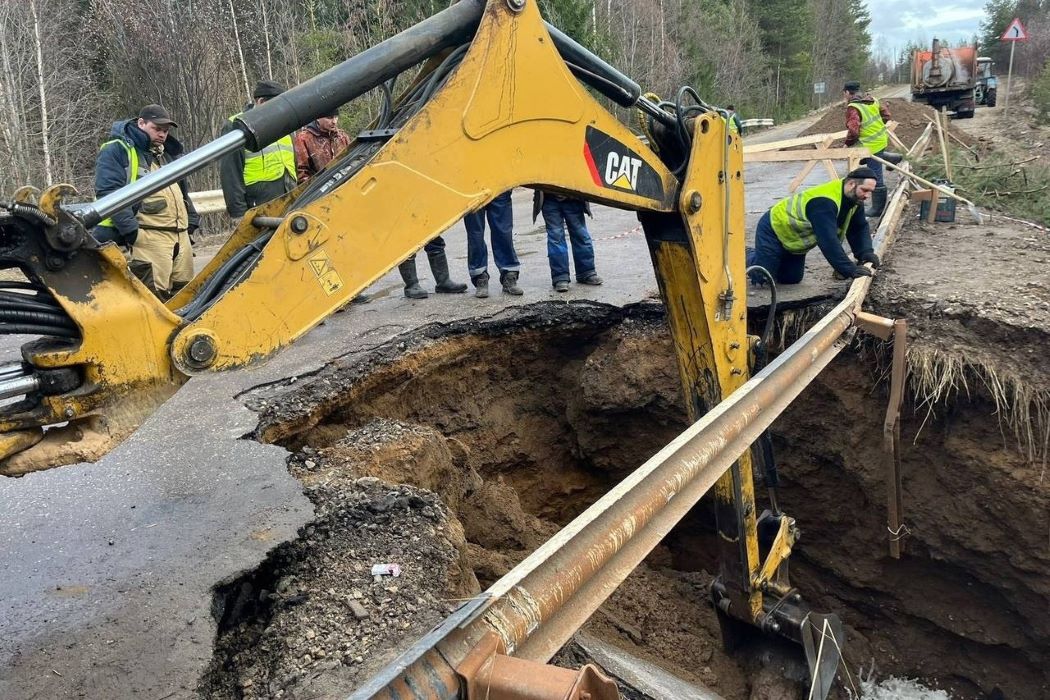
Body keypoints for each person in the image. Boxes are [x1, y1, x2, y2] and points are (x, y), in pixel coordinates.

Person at [92, 104, 199, 300]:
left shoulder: (167, 153)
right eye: (156, 129)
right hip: (149, 235)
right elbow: (109, 193)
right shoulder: (118, 149)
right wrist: (133, 233)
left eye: (165, 131)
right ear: (141, 123)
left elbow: (181, 191)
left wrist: (191, 219)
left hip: (180, 236)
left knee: (185, 296)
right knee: (153, 299)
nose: (162, 134)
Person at [746, 167, 881, 285]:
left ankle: (771, 257)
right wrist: (849, 269)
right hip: (774, 229)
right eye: (865, 190)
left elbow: (858, 228)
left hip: (793, 241)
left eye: (870, 192)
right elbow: (828, 240)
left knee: (791, 279)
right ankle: (747, 255)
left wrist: (866, 253)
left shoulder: (854, 200)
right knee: (762, 276)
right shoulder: (825, 202)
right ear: (852, 184)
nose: (867, 196)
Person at [220, 80, 296, 222]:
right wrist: (238, 214)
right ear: (260, 102)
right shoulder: (237, 125)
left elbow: (293, 162)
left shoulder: (285, 123)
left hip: (289, 198)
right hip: (258, 205)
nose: (280, 110)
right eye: (276, 105)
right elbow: (230, 173)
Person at [533, 191, 602, 292]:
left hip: (573, 197)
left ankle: (586, 272)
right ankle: (560, 277)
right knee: (556, 238)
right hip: (549, 199)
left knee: (581, 236)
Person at [843, 81, 892, 216]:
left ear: (847, 92)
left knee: (875, 175)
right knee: (866, 159)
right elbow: (887, 115)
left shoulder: (853, 107)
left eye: (844, 94)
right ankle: (892, 158)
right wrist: (877, 126)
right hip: (881, 139)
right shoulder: (873, 100)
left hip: (871, 144)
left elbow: (853, 131)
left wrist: (847, 143)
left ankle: (877, 210)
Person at [464, 190, 521, 298]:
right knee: (475, 235)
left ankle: (509, 274)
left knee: (503, 232)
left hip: (499, 184)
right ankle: (480, 277)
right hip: (471, 184)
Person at [293, 109, 350, 183]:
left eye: (336, 117)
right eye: (329, 118)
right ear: (318, 118)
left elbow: (351, 159)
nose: (334, 121)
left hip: (345, 184)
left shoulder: (342, 136)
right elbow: (302, 172)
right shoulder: (304, 139)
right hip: (320, 189)